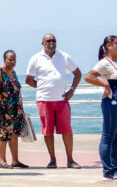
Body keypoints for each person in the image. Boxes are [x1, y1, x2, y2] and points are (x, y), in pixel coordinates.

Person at [84, 36, 117, 181]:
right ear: (108, 46)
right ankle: (108, 171)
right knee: (108, 137)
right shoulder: (104, 63)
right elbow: (88, 77)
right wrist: (105, 85)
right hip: (113, 103)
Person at [26, 33, 82, 169]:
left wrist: (72, 90)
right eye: (48, 41)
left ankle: (70, 160)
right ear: (43, 43)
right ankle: (52, 160)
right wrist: (43, 86)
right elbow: (28, 80)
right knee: (48, 131)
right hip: (44, 100)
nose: (51, 43)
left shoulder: (64, 56)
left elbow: (78, 73)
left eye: (53, 40)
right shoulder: (35, 58)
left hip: (62, 100)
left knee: (67, 131)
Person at [0, 50, 28, 169]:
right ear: (4, 60)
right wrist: (2, 98)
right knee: (4, 134)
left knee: (14, 134)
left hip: (16, 108)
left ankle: (15, 161)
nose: (12, 62)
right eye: (10, 59)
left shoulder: (13, 72)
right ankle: (2, 161)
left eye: (14, 59)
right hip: (4, 109)